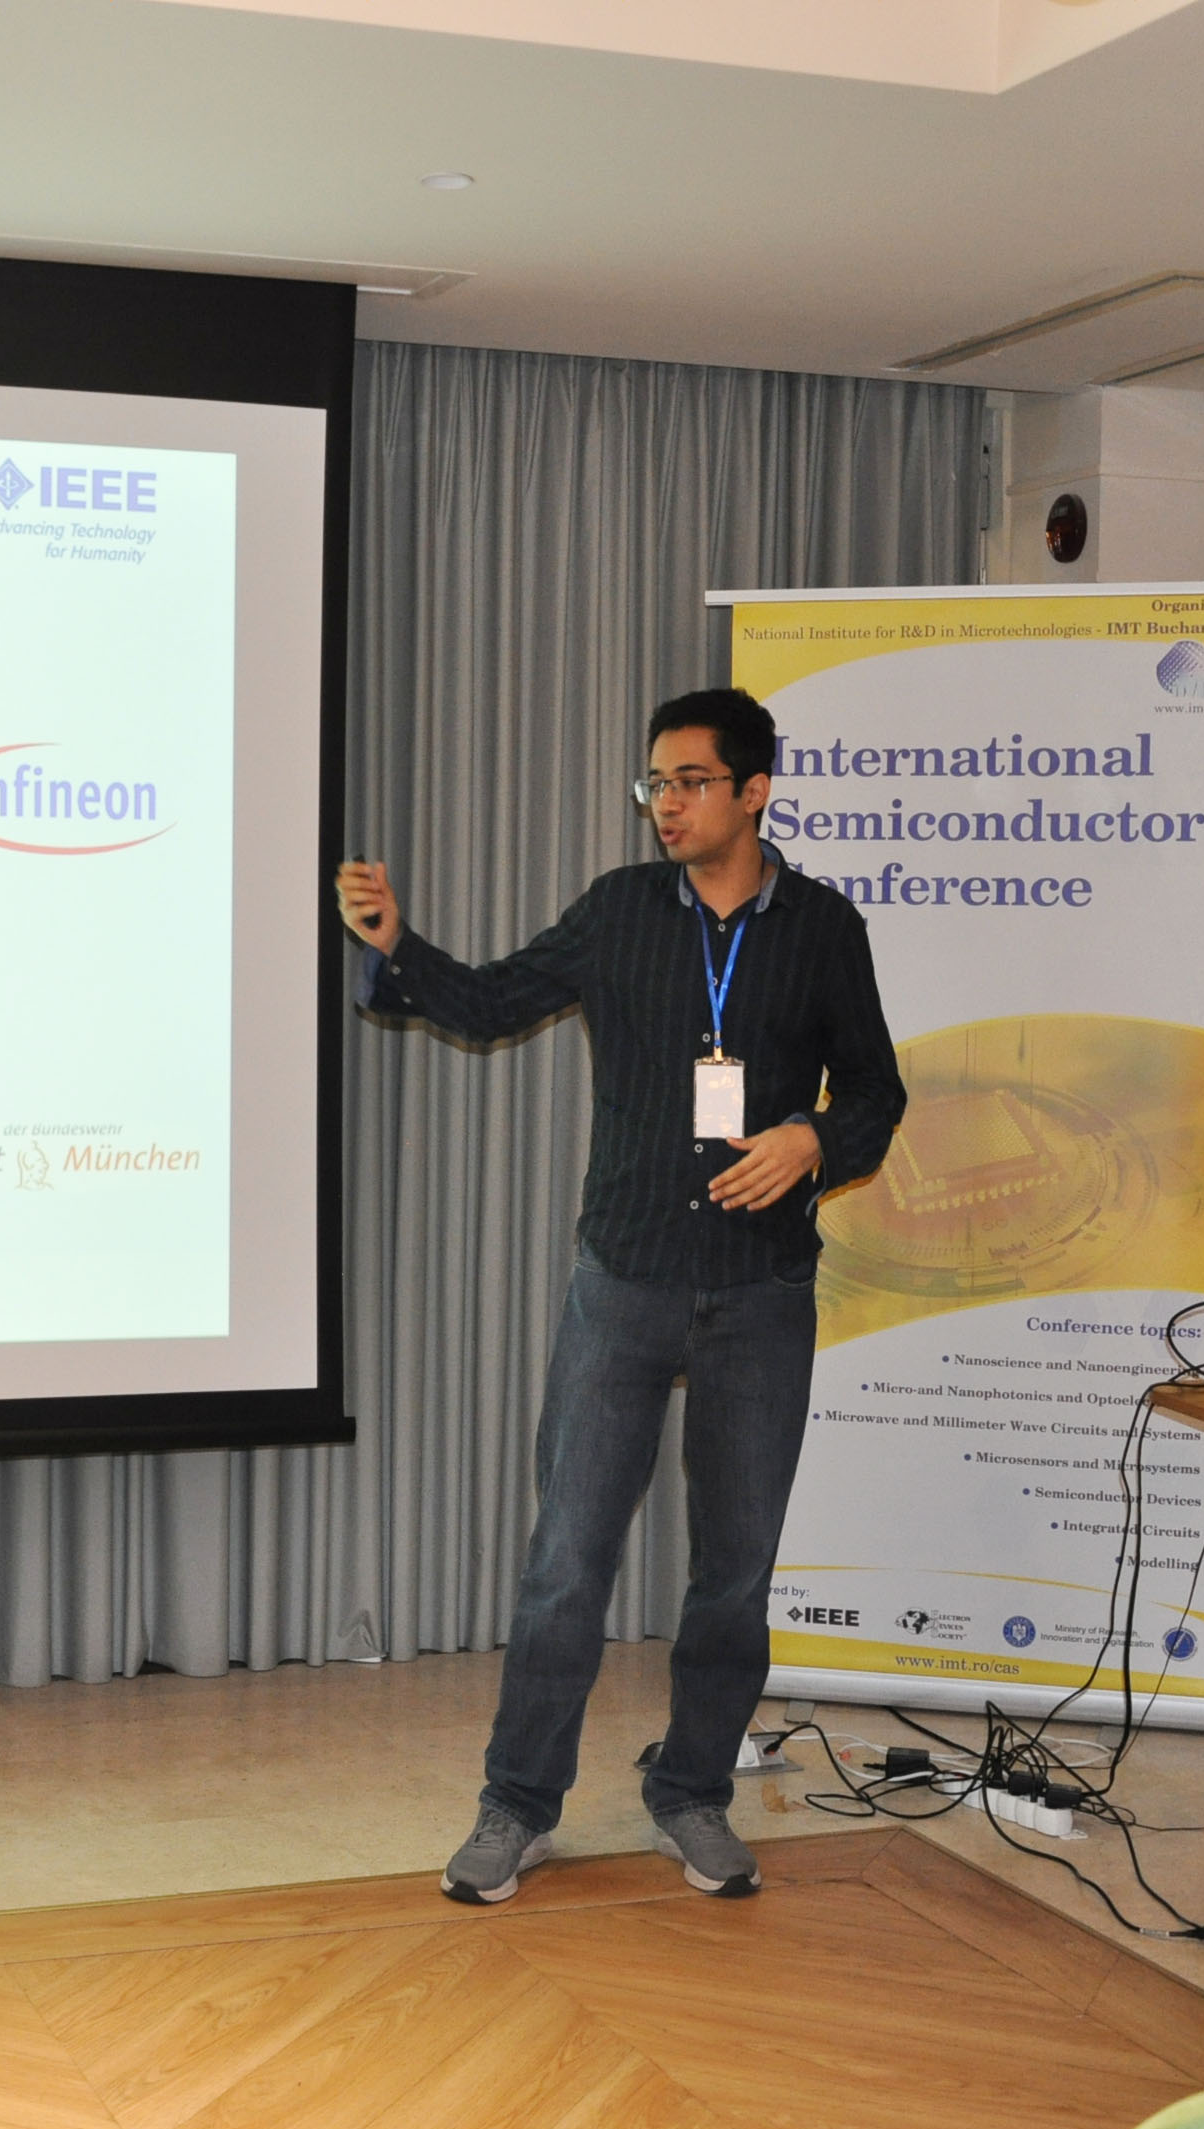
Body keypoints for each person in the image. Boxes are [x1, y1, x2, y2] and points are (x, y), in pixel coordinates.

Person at [336, 686, 905, 1904]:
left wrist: (812, 1138)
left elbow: (876, 1093)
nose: (665, 805)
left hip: (761, 1292)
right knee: (566, 1561)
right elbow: (493, 1002)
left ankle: (692, 1795)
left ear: (755, 791)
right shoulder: (619, 910)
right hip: (626, 1283)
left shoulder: (822, 929)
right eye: (655, 784)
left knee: (734, 1572)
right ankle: (517, 1804)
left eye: (690, 782)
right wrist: (394, 945)